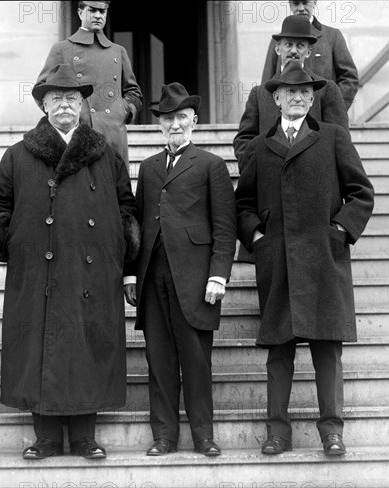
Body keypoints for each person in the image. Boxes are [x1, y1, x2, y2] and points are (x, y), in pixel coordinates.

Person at [0, 64, 139, 460]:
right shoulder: (19, 155)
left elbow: (126, 206)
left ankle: (85, 437)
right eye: (57, 99)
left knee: (86, 346)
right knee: (41, 346)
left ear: (81, 103)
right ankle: (47, 438)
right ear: (43, 105)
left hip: (92, 272)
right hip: (38, 272)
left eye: (72, 98)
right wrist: (7, 240)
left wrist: (123, 249)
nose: (65, 105)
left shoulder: (104, 154)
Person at [235, 61, 374, 456]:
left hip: (324, 260)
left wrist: (340, 231)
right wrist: (257, 237)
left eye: (304, 93)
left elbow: (361, 192)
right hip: (277, 261)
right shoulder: (261, 147)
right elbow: (242, 203)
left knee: (327, 348)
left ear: (313, 99)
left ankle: (332, 431)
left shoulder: (332, 137)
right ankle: (278, 432)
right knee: (279, 352)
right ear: (275, 98)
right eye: (289, 92)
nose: (297, 98)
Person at [124, 83, 237, 457]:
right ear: (160, 124)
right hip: (153, 275)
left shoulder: (211, 165)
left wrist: (218, 274)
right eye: (169, 118)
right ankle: (164, 437)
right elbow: (137, 224)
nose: (175, 125)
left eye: (182, 118)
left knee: (196, 360)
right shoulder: (150, 167)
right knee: (158, 360)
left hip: (195, 278)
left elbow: (224, 226)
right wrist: (130, 274)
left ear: (194, 121)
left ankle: (204, 435)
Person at [34, 1, 143, 166]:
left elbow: (133, 92)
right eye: (92, 10)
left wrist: (123, 110)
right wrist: (64, 116)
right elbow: (41, 89)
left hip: (113, 133)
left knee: (114, 186)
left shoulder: (118, 51)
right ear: (80, 13)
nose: (98, 16)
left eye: (102, 11)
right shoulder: (62, 49)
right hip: (77, 132)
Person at [233, 15, 349, 166]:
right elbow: (243, 140)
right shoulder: (260, 94)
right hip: (272, 183)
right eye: (288, 44)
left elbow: (341, 141)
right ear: (277, 49)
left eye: (300, 45)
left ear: (308, 52)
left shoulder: (327, 89)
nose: (293, 51)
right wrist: (257, 170)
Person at [261, 0, 358, 110]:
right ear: (290, 5)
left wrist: (333, 110)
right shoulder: (279, 41)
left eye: (306, 2)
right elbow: (267, 83)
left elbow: (349, 78)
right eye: (296, 3)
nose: (301, 8)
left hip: (321, 118)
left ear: (314, 2)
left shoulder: (332, 36)